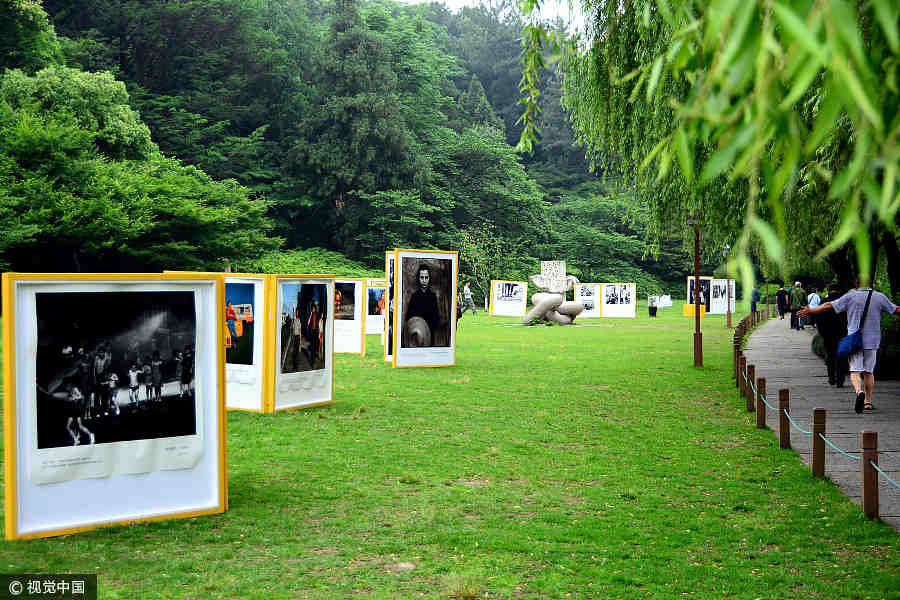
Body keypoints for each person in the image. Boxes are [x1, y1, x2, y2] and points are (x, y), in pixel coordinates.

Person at [799, 277, 900, 413]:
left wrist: (812, 310)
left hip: (854, 341)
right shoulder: (879, 297)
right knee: (869, 372)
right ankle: (868, 402)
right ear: (870, 284)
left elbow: (829, 305)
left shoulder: (851, 296)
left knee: (855, 371)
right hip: (873, 340)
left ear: (856, 284)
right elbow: (896, 310)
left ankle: (859, 392)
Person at [817, 283, 848, 387]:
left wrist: (822, 333)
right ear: (839, 290)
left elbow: (819, 319)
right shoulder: (844, 301)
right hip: (842, 333)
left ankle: (831, 378)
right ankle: (840, 380)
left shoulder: (824, 302)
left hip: (828, 333)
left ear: (828, 290)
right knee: (842, 357)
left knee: (830, 356)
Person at [407, 264, 441, 343]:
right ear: (418, 278)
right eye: (422, 277)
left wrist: (428, 327)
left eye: (426, 277)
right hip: (415, 337)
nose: (424, 280)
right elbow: (409, 317)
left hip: (429, 335)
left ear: (429, 278)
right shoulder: (414, 296)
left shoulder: (433, 297)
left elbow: (437, 318)